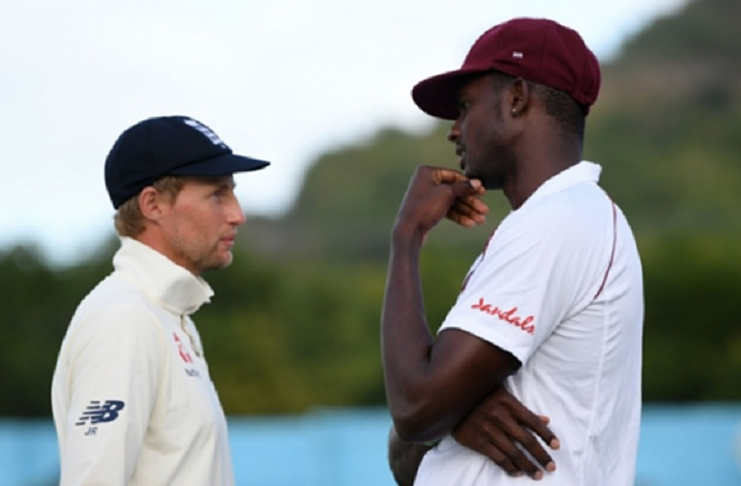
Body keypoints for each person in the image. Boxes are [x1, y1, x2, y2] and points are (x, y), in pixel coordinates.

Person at [382, 17, 644, 485]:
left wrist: (406, 237)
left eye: (465, 106)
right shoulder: (559, 219)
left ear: (518, 97)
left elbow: (414, 408)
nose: (454, 130)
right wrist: (457, 415)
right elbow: (407, 446)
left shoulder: (558, 222)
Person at [51, 115, 269, 485]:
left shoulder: (166, 315)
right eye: (217, 194)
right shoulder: (125, 318)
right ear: (153, 204)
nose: (237, 214)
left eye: (232, 192)